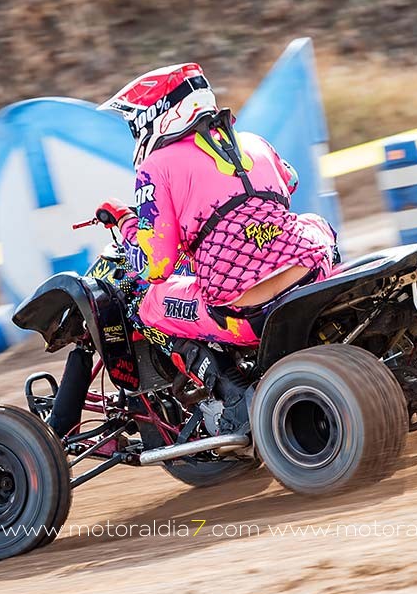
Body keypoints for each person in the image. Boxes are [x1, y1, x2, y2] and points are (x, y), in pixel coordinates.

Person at [95, 63, 338, 428]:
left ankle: (234, 394)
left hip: (245, 311)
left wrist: (127, 222)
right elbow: (289, 181)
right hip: (309, 277)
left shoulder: (156, 167)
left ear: (156, 115)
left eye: (136, 124)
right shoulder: (253, 141)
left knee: (149, 304)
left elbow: (156, 265)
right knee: (314, 223)